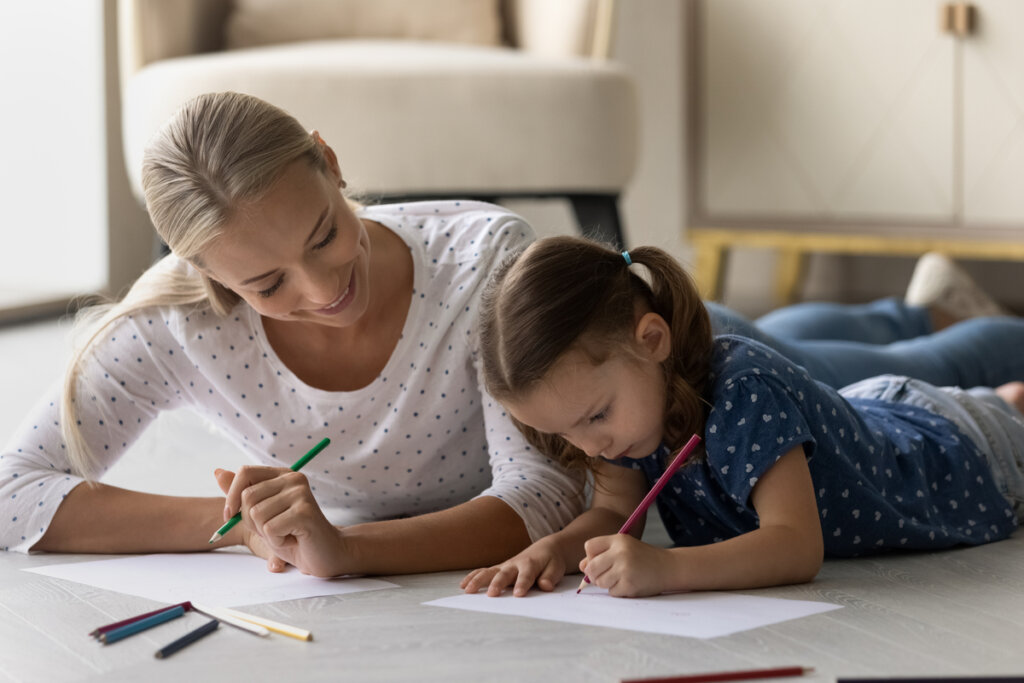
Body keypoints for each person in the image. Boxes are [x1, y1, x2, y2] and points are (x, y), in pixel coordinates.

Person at [0, 91, 585, 575]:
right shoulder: (175, 322)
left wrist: (350, 551)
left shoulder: (484, 259)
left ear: (329, 164)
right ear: (205, 271)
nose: (323, 290)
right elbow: (10, 495)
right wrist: (243, 526)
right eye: (268, 283)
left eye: (324, 236)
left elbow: (547, 491)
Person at [460, 236, 1024, 598]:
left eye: (596, 416)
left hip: (963, 453)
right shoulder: (624, 426)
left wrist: (667, 569)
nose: (589, 447)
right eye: (564, 433)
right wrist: (550, 550)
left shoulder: (743, 390)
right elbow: (613, 509)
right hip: (875, 411)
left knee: (1004, 410)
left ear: (653, 340)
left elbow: (796, 545)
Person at [706, 251, 1021, 389]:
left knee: (933, 370)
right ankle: (922, 316)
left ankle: (995, 341)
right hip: (695, 326)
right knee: (769, 347)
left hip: (693, 354)